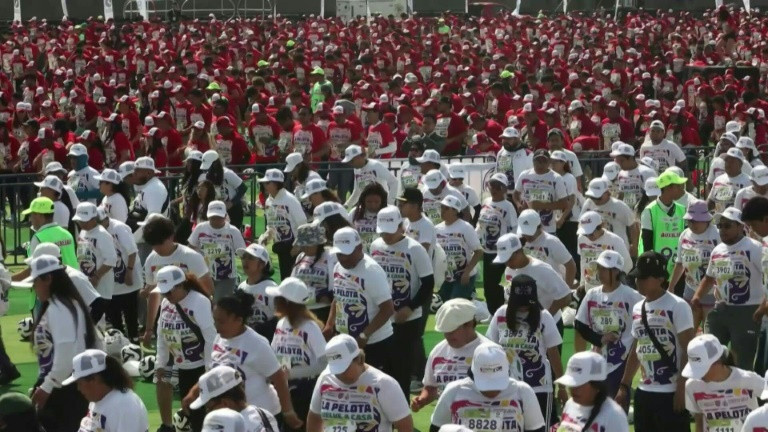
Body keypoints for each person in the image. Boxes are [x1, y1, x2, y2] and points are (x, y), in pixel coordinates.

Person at [187, 291, 301, 429]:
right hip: (234, 416)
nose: (216, 326)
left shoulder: (257, 344)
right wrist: (193, 393)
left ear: (239, 320)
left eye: (221, 322)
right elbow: (214, 373)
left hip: (260, 416)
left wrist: (288, 412)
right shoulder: (219, 339)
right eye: (215, 320)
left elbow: (279, 378)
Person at [615, 251, 694, 432]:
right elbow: (637, 347)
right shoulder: (637, 308)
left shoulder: (678, 306)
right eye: (637, 277)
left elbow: (689, 349)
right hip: (644, 392)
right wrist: (624, 385)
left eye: (644, 278)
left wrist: (681, 388)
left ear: (660, 279)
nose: (638, 281)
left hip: (671, 392)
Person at [28, 254, 99, 432]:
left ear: (48, 279)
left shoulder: (60, 308)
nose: (34, 287)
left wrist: (47, 386)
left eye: (35, 282)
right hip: (64, 384)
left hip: (63, 389)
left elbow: (67, 353)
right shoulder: (65, 304)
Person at [370, 205, 434, 399]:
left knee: (401, 368)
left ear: (401, 226)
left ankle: (402, 408)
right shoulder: (375, 246)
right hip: (382, 317)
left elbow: (428, 283)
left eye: (390, 232)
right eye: (383, 232)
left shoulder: (415, 249)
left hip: (407, 318)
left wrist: (410, 308)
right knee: (382, 369)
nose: (386, 236)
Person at [692, 207, 765, 371]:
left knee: (742, 361)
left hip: (747, 310)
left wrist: (762, 306)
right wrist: (697, 296)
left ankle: (744, 387)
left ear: (740, 226)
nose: (722, 230)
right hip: (720, 308)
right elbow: (709, 277)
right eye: (720, 226)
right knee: (709, 353)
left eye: (727, 226)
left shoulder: (755, 248)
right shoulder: (717, 250)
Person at [486, 275, 564, 427]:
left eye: (527, 302)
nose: (523, 307)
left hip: (539, 387)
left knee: (541, 428)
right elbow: (490, 348)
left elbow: (553, 353)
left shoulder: (544, 317)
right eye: (519, 302)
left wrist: (561, 386)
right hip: (507, 387)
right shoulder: (501, 314)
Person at [306, 334, 413, 432]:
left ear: (360, 359)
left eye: (344, 368)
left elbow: (405, 426)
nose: (340, 375)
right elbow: (314, 417)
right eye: (336, 370)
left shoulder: (384, 384)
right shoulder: (325, 378)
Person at [430, 342, 546, 432]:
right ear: (474, 374)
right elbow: (436, 429)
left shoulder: (522, 392)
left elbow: (537, 430)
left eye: (497, 384)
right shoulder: (454, 391)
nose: (492, 391)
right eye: (486, 384)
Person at [574, 250, 643, 399]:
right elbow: (579, 324)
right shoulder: (592, 294)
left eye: (605, 269)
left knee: (616, 405)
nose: (600, 272)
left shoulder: (632, 296)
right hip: (597, 361)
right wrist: (600, 339)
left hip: (621, 362)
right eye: (599, 268)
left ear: (617, 271)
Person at [155, 266, 217, 432]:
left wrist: (208, 370)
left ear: (180, 285)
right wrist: (160, 363)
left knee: (202, 415)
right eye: (163, 293)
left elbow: (211, 337)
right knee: (191, 412)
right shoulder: (166, 303)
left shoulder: (199, 302)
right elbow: (162, 334)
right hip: (181, 366)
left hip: (199, 367)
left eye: (168, 292)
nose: (166, 296)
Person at [326, 227, 395, 373]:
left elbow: (388, 309)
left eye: (347, 253)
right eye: (339, 254)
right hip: (347, 340)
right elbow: (338, 298)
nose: (343, 258)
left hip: (375, 342)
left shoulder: (371, 271)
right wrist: (330, 324)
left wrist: (364, 335)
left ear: (359, 248)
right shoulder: (338, 267)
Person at [411, 299, 492, 412]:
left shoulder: (490, 352)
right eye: (445, 331)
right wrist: (422, 400)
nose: (448, 336)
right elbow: (430, 387)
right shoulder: (438, 352)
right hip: (445, 419)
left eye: (452, 331)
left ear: (469, 324)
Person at [268, 277, 327, 427]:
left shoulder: (310, 327)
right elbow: (274, 353)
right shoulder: (281, 323)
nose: (275, 301)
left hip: (306, 392)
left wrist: (292, 373)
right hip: (284, 390)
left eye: (278, 298)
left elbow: (324, 363)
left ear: (287, 303)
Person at [683, 334, 763, 432]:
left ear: (717, 362)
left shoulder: (747, 379)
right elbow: (699, 419)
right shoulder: (692, 386)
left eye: (701, 370)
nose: (698, 375)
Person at [495, 233, 572, 333]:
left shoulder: (541, 269)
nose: (507, 264)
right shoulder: (509, 269)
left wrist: (543, 319)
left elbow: (566, 297)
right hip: (522, 327)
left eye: (509, 259)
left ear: (518, 252)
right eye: (504, 260)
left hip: (548, 327)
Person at [64, 349, 149, 432]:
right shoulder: (97, 400)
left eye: (80, 383)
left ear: (94, 379)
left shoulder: (125, 404)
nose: (78, 388)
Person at [668, 199, 719, 332]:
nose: (692, 224)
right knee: (688, 330)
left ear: (706, 220)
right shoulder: (684, 235)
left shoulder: (716, 234)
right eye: (689, 221)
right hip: (690, 289)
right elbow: (679, 263)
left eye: (696, 221)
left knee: (709, 333)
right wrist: (671, 287)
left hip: (712, 291)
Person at [97, 207, 143, 342]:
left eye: (100, 222)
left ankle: (134, 340)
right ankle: (119, 341)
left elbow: (132, 251)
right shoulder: (96, 231)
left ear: (106, 218)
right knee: (113, 314)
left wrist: (129, 271)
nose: (99, 225)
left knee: (130, 313)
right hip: (110, 280)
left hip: (127, 275)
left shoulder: (119, 228)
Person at [553, 352, 629, 432]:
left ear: (596, 385)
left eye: (579, 384)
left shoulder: (614, 415)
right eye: (571, 383)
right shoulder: (569, 404)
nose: (573, 389)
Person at [188, 366, 279, 432]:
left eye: (209, 408)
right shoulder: (264, 414)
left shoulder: (225, 427)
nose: (208, 412)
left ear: (225, 403)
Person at [476, 173, 518, 315]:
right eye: (492, 185)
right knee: (488, 285)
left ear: (504, 189)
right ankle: (492, 312)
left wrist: (511, 251)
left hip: (501, 252)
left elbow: (514, 229)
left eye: (498, 186)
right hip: (486, 250)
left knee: (494, 284)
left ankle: (499, 312)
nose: (494, 189)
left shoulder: (508, 206)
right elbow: (480, 224)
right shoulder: (486, 201)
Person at [188, 201, 246, 301]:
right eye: (213, 217)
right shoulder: (200, 228)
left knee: (219, 305)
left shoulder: (233, 231)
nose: (216, 220)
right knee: (203, 302)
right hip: (204, 275)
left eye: (219, 217)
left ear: (225, 216)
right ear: (208, 216)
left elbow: (243, 253)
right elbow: (191, 248)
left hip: (226, 277)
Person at [261, 168, 307, 280]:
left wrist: (297, 245)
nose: (264, 185)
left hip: (293, 246)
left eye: (267, 183)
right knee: (285, 278)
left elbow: (303, 223)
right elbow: (271, 224)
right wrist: (267, 235)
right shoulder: (268, 201)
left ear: (276, 184)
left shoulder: (290, 199)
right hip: (280, 246)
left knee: (294, 279)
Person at [436, 195, 483, 301]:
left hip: (464, 275)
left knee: (455, 303)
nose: (442, 211)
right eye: (441, 207)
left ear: (455, 211)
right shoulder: (437, 229)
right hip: (446, 276)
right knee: (443, 304)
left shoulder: (466, 227)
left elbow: (479, 251)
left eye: (446, 208)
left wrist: (467, 272)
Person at [73, 202, 118, 308]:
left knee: (97, 317)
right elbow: (82, 257)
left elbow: (111, 259)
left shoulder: (102, 234)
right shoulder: (83, 232)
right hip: (86, 285)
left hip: (101, 288)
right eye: (79, 220)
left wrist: (96, 277)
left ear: (93, 218)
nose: (81, 223)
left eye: (84, 220)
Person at [512, 149, 568, 234]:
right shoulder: (524, 175)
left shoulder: (556, 178)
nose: (540, 164)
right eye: (537, 161)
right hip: (527, 225)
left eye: (544, 161)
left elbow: (564, 204)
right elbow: (516, 193)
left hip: (547, 228)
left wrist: (542, 205)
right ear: (533, 161)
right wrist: (518, 205)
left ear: (549, 162)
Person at [518, 209, 577, 287]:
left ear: (539, 226)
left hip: (551, 289)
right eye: (524, 232)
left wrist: (567, 290)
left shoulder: (551, 241)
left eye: (529, 232)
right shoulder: (518, 241)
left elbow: (570, 265)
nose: (526, 236)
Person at [582, 177, 639, 257]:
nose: (595, 200)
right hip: (596, 249)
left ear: (608, 193)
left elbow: (633, 225)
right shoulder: (588, 204)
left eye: (598, 197)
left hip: (617, 250)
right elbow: (581, 223)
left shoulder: (619, 206)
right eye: (592, 197)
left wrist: (634, 245)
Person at [291, 223, 335, 323]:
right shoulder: (300, 257)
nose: (304, 247)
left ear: (318, 243)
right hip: (302, 310)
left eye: (308, 244)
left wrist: (321, 296)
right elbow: (293, 282)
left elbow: (335, 288)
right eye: (302, 244)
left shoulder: (330, 257)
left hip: (323, 311)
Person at [235, 243, 278, 341]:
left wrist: (263, 329)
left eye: (251, 258)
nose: (245, 261)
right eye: (243, 257)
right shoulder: (242, 287)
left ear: (262, 264)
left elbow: (281, 317)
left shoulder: (272, 288)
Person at [199, 150, 248, 228]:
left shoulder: (227, 173)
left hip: (233, 208)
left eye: (208, 168)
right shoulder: (207, 176)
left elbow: (243, 188)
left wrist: (231, 203)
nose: (206, 171)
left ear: (215, 164)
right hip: (216, 209)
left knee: (233, 232)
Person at [613, 142, 656, 210]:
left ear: (630, 158)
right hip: (628, 212)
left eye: (621, 161)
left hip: (645, 211)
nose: (619, 164)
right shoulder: (621, 173)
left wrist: (640, 210)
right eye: (618, 161)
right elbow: (621, 194)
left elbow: (654, 197)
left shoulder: (647, 172)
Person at [708, 148, 752, 214]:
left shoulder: (749, 182)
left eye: (732, 161)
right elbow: (711, 201)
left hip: (738, 219)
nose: (728, 164)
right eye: (726, 160)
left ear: (740, 164)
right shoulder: (718, 180)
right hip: (719, 218)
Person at [349, 183, 387, 253]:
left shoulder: (387, 213)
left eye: (376, 202)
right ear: (363, 200)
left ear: (382, 201)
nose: (373, 205)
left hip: (381, 253)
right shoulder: (355, 213)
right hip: (359, 253)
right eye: (369, 202)